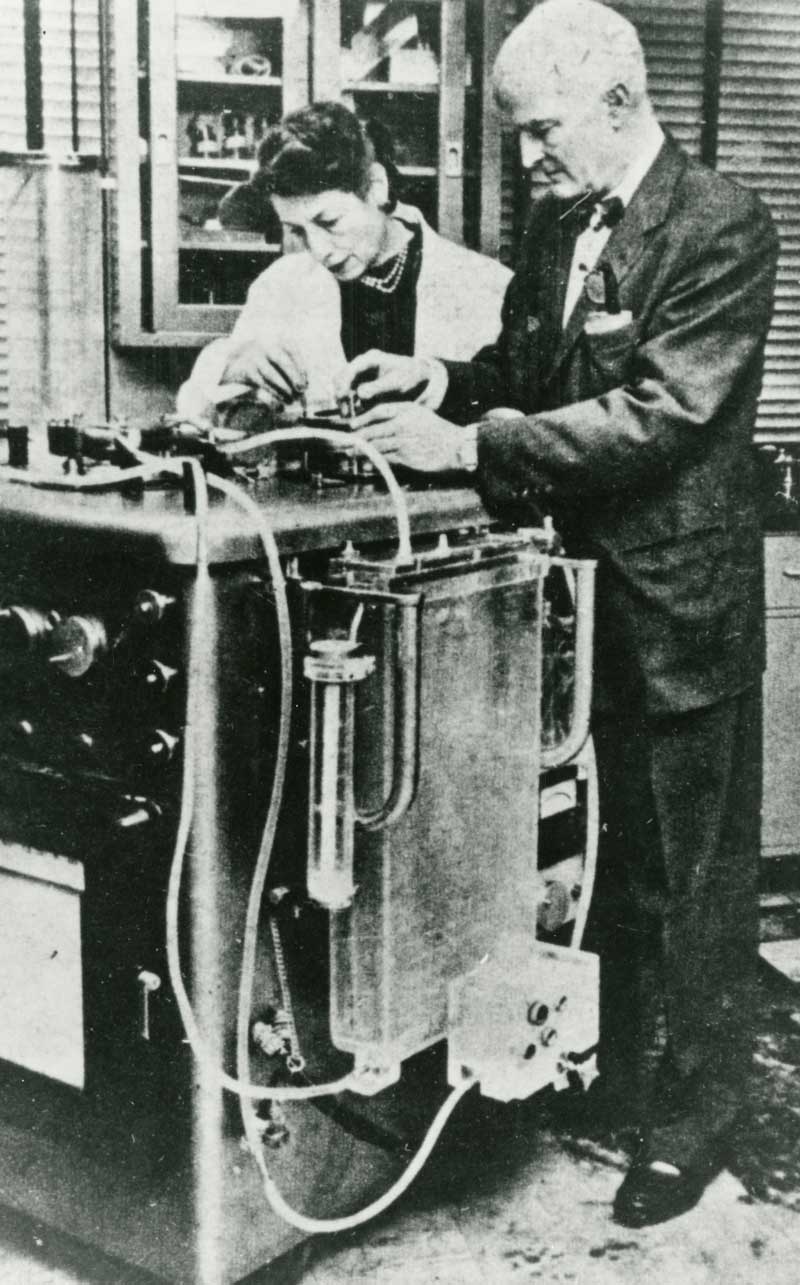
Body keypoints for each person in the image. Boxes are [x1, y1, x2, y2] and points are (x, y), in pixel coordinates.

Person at [342, 0, 779, 1229]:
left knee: (685, 882)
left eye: (540, 134)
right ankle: (609, 1077)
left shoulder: (720, 225)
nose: (527, 161)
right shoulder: (552, 225)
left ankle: (690, 1128)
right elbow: (533, 380)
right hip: (564, 610)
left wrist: (463, 443)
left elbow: (656, 416)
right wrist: (435, 380)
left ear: (619, 105)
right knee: (591, 866)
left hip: (672, 611)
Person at [177, 101, 511, 422]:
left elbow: (516, 425)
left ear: (376, 188)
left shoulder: (487, 286)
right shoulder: (281, 286)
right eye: (298, 231)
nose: (320, 251)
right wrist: (229, 369)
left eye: (329, 222)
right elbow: (195, 413)